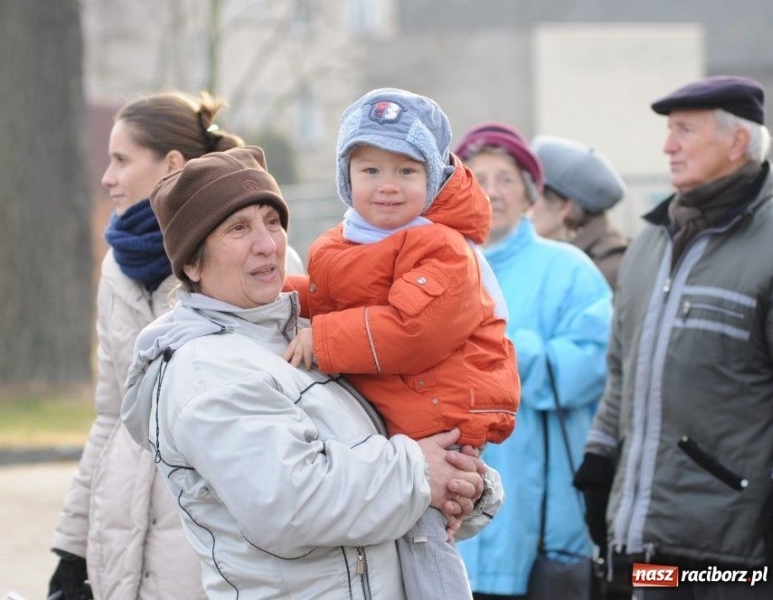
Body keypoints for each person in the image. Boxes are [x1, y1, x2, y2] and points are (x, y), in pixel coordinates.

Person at [119, 145, 504, 599]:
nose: (267, 243)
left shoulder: (306, 334)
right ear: (191, 263)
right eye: (238, 229)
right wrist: (421, 473)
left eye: (272, 221)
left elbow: (393, 468)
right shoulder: (205, 371)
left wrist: (462, 481)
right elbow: (292, 503)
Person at [47, 91, 303, 600]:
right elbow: (110, 418)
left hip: (206, 537)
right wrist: (72, 547)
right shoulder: (116, 269)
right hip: (123, 535)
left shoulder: (259, 262)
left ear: (170, 164)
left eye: (121, 159)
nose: (107, 176)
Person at [282, 88, 520, 600]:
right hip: (398, 409)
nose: (387, 186)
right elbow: (333, 299)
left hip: (437, 412)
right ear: (347, 178)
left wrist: (320, 338)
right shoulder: (346, 240)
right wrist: (279, 300)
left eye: (406, 171)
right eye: (370, 170)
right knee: (390, 534)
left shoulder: (443, 246)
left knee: (425, 535)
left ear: (431, 178)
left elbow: (415, 330)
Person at [573, 75, 773, 599]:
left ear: (738, 142)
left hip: (738, 554)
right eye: (669, 131)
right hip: (650, 545)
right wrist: (599, 463)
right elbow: (620, 370)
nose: (668, 145)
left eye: (684, 130)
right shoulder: (649, 244)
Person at [452, 123, 613, 599]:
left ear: (530, 195)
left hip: (539, 523)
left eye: (506, 179)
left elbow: (590, 364)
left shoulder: (569, 270)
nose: (492, 191)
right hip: (450, 514)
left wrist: (495, 346)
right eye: (478, 178)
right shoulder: (430, 267)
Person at [530, 135, 630, 290]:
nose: (524, 207)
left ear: (565, 207)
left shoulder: (606, 269)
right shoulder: (556, 257)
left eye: (532, 196)